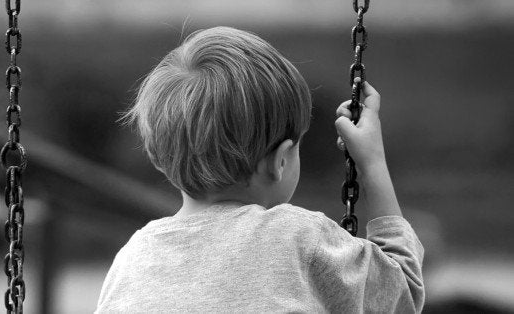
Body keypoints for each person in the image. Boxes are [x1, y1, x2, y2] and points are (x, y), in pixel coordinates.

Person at [95, 26, 424, 313]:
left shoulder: (134, 255)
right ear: (280, 161)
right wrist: (372, 162)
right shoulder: (297, 238)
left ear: (156, 156)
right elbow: (401, 295)